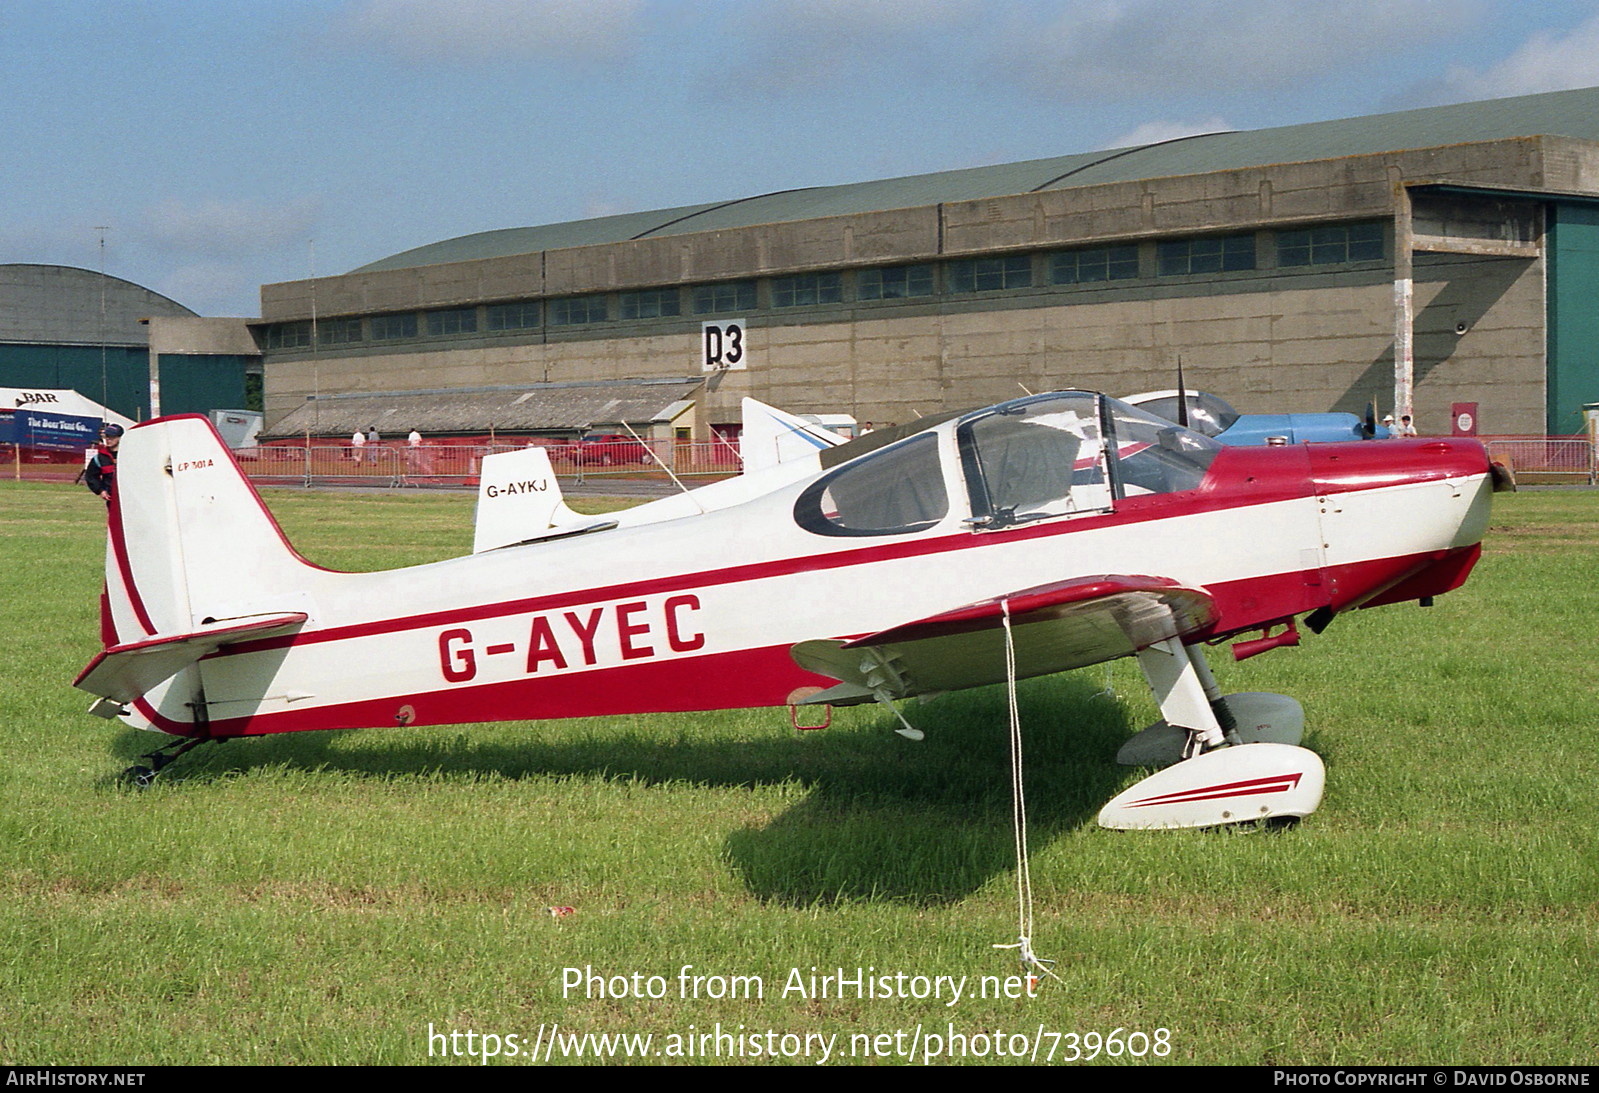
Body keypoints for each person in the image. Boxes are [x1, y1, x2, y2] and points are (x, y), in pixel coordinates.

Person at [85, 424, 122, 503]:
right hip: (111, 498)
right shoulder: (99, 458)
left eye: (112, 437)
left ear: (120, 438)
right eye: (106, 436)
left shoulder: (129, 455)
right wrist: (101, 490)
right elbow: (91, 476)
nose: (108, 439)